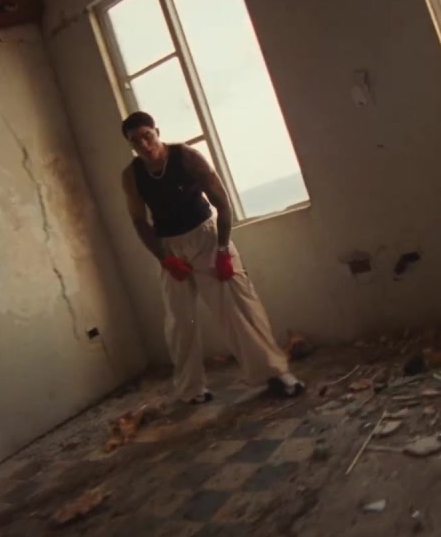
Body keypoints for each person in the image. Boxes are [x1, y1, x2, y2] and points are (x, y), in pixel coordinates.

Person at [119, 111, 305, 404]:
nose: (144, 144)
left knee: (239, 308)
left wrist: (222, 250)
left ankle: (275, 373)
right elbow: (139, 221)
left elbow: (222, 203)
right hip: (170, 246)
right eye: (135, 141)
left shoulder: (186, 157)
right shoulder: (131, 176)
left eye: (147, 136)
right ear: (130, 145)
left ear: (157, 132)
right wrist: (165, 259)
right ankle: (191, 388)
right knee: (181, 322)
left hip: (207, 237)